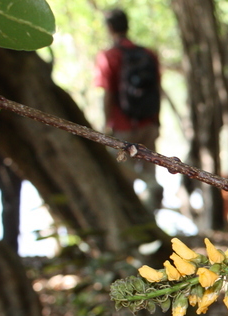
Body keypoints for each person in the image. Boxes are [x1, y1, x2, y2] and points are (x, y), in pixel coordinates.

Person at [94, 8, 163, 210]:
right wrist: (156, 120)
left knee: (124, 172)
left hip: (122, 126)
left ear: (109, 28)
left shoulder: (109, 56)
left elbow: (108, 94)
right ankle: (151, 215)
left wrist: (107, 125)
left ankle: (137, 213)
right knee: (150, 168)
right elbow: (157, 89)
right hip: (148, 123)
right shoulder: (148, 54)